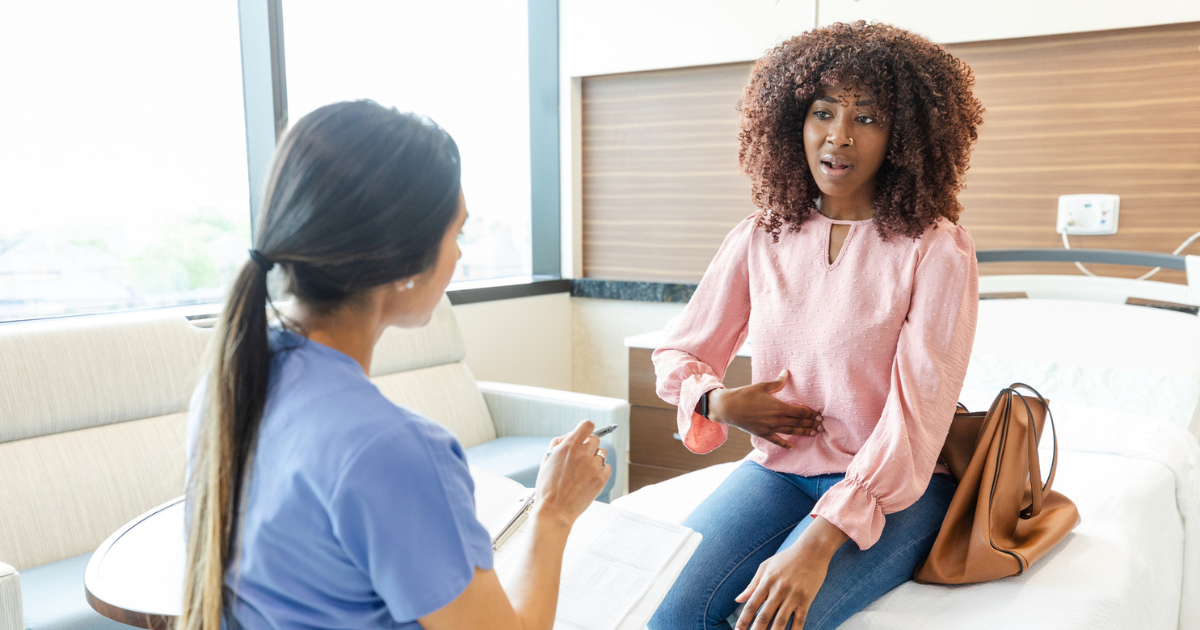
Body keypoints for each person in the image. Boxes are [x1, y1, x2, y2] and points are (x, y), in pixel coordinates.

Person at [181, 100, 610, 630]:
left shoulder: (233, 381)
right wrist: (553, 511)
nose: (458, 256)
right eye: (457, 235)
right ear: (404, 261)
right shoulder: (393, 449)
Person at [648, 22, 985, 630]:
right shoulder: (761, 236)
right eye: (823, 112)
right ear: (792, 124)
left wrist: (817, 540)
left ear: (903, 138)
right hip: (779, 472)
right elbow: (678, 351)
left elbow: (918, 416)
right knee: (667, 615)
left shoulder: (935, 249)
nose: (839, 135)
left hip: (895, 491)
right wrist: (718, 402)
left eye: (868, 118)